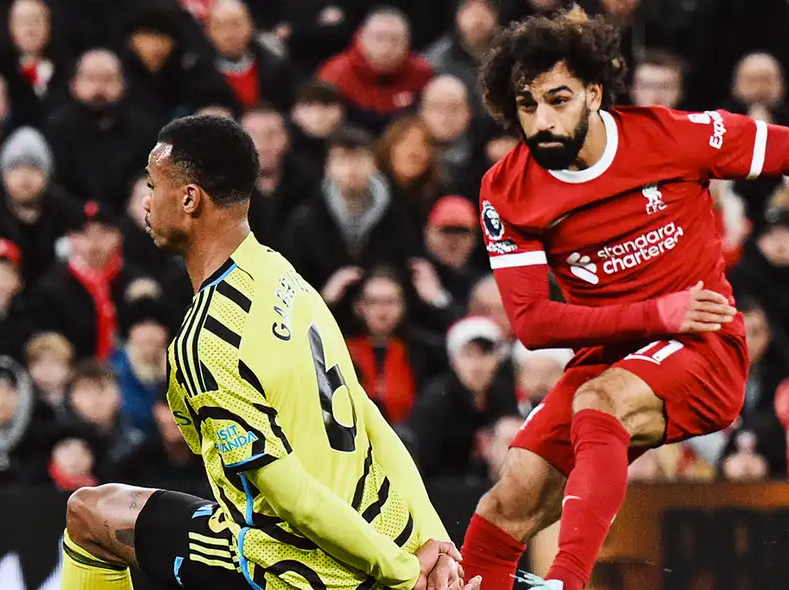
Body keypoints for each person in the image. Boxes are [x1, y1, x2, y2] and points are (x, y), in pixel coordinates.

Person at [458, 8, 789, 590]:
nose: (542, 121)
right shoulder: (507, 189)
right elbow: (534, 323)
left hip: (703, 345)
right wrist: (652, 313)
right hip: (613, 351)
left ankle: (566, 581)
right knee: (508, 498)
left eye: (558, 99)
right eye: (526, 106)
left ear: (594, 94)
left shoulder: (670, 136)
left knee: (600, 402)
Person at [59, 114, 480, 590]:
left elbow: (291, 500)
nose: (145, 201)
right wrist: (434, 542)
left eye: (153, 185)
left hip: (301, 567)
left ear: (189, 199)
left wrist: (402, 576)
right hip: (388, 528)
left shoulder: (207, 343)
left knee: (88, 518)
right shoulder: (286, 276)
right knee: (94, 510)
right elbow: (369, 418)